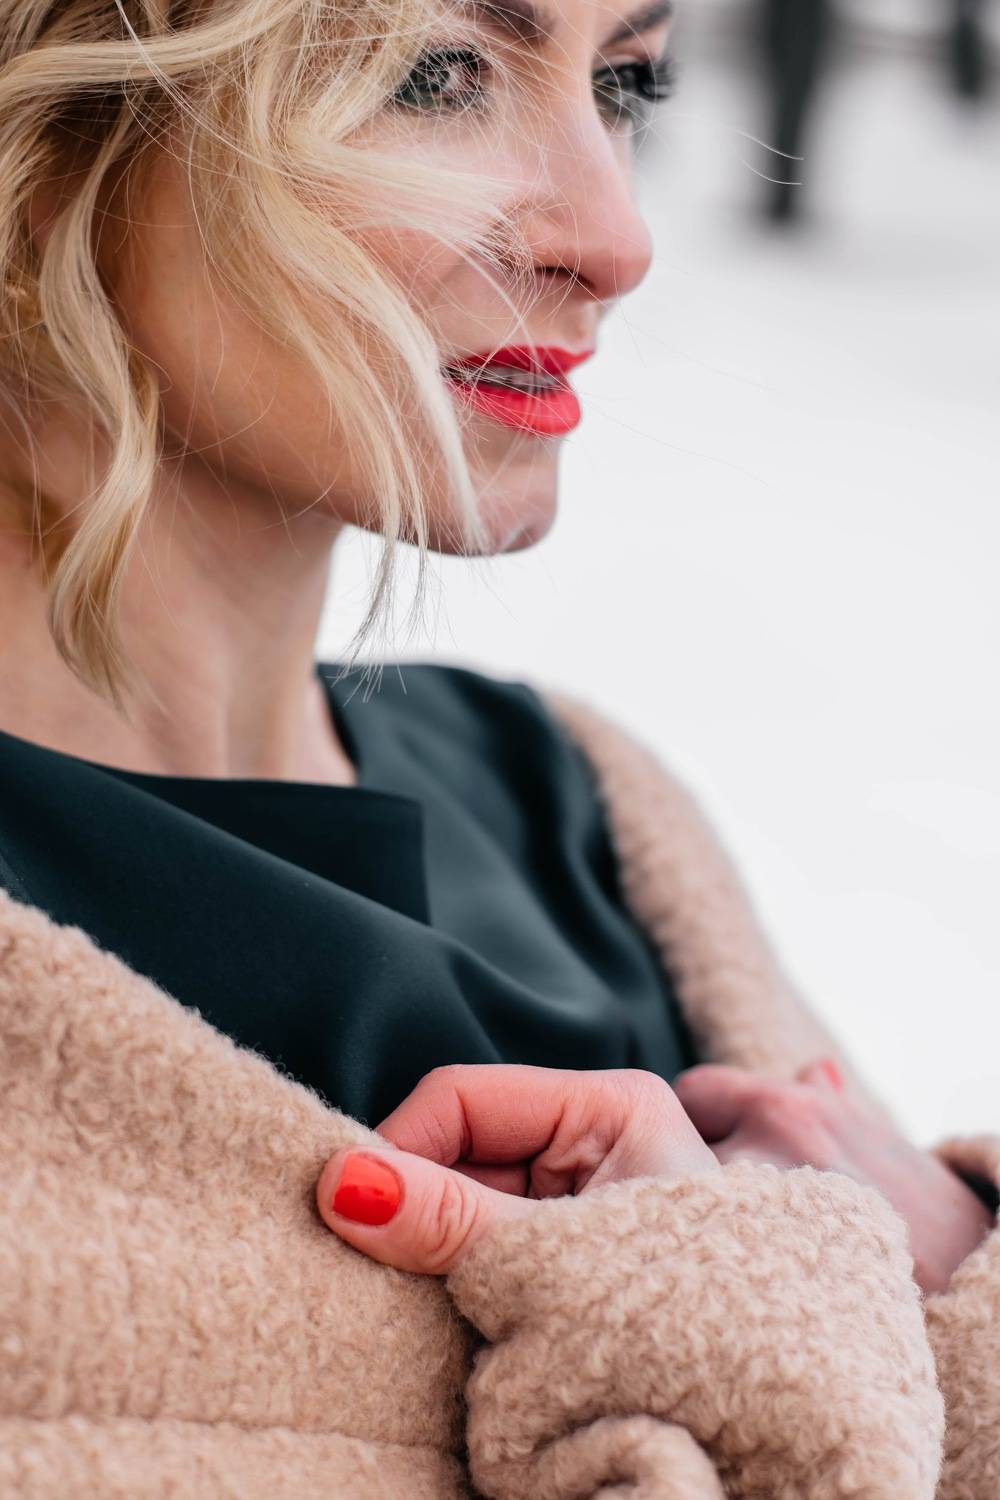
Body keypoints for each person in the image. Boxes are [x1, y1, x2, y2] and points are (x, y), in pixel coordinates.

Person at [0, 0, 998, 1491]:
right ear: (47, 130)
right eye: (436, 73)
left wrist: (957, 1279)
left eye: (627, 83)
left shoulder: (575, 804)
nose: (617, 239)